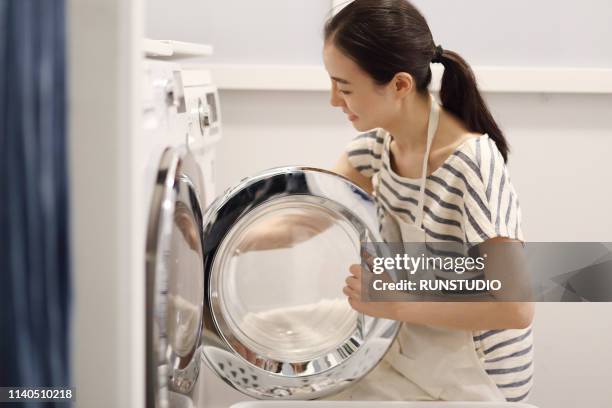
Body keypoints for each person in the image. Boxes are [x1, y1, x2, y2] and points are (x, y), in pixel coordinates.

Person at [321, 0, 534, 402]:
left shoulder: (472, 166)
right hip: (413, 358)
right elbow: (305, 214)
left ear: (400, 85)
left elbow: (516, 309)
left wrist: (396, 303)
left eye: (345, 87)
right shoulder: (376, 147)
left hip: (479, 384)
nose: (334, 100)